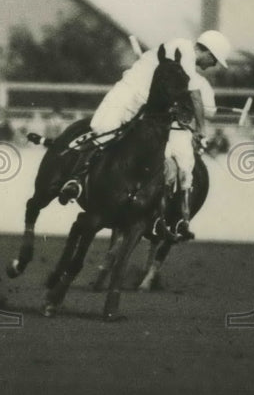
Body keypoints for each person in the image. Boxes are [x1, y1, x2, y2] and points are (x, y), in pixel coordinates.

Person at [58, 30, 232, 241]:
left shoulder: (187, 64)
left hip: (147, 107)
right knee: (102, 130)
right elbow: (195, 95)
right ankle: (76, 181)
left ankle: (157, 213)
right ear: (209, 53)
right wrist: (201, 129)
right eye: (214, 60)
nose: (213, 65)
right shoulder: (184, 50)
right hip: (127, 95)